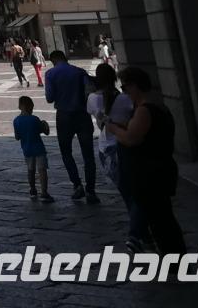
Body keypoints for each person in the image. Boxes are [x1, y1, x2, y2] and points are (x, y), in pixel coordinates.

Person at [107, 67, 184, 254]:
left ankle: (174, 263)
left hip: (150, 172)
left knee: (160, 220)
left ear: (135, 86)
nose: (124, 92)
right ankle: (174, 261)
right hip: (159, 168)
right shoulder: (158, 106)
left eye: (125, 88)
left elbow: (132, 138)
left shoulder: (144, 110)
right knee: (162, 217)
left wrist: (114, 129)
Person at [43, 49, 100, 204]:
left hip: (64, 116)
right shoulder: (80, 72)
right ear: (65, 58)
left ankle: (77, 185)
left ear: (53, 60)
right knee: (88, 154)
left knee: (66, 151)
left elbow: (49, 98)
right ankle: (91, 190)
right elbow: (90, 92)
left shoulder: (51, 74)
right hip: (82, 115)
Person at [88, 63, 133, 199]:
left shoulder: (92, 98)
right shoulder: (125, 98)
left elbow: (95, 116)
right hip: (125, 143)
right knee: (133, 190)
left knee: (124, 189)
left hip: (106, 146)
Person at [13, 95, 55, 203]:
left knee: (30, 170)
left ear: (19, 107)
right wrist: (44, 125)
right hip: (38, 148)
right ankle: (44, 193)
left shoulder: (16, 120)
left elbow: (17, 137)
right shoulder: (34, 119)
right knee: (42, 170)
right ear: (31, 107)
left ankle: (32, 190)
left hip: (27, 148)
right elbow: (44, 131)